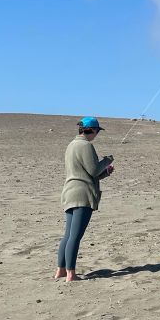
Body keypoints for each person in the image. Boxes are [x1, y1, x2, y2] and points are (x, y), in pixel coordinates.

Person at [55, 117, 114, 282]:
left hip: (69, 193)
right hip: (82, 195)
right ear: (92, 130)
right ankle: (71, 274)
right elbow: (94, 170)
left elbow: (87, 173)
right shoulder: (86, 145)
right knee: (75, 236)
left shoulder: (71, 145)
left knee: (67, 236)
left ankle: (60, 271)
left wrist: (106, 172)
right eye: (97, 131)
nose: (96, 135)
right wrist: (107, 161)